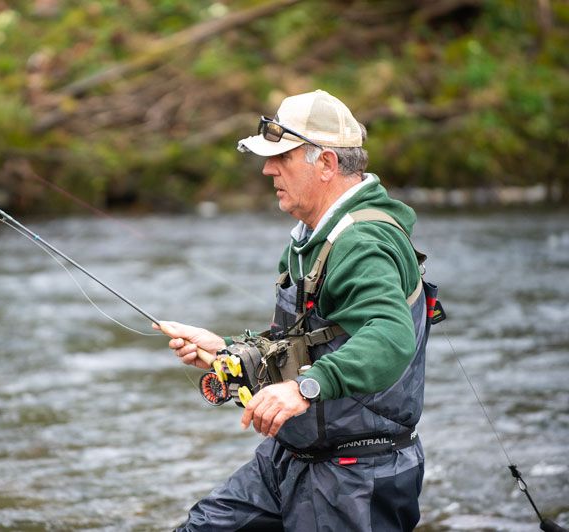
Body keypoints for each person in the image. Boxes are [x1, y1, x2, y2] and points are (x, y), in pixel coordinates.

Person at [157, 89, 434, 531]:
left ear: (325, 163)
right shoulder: (308, 238)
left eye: (281, 156)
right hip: (290, 459)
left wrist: (302, 390)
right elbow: (306, 343)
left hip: (356, 477)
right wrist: (225, 348)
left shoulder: (364, 243)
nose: (268, 168)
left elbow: (389, 335)